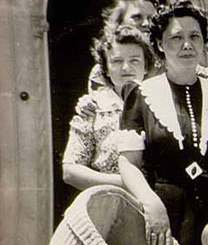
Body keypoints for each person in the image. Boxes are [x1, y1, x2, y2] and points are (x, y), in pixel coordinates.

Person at [118, 0, 208, 245]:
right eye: (176, 38)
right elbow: (127, 162)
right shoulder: (141, 95)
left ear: (203, 44)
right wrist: (150, 203)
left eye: (194, 37)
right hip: (163, 218)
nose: (187, 45)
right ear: (159, 44)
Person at [62, 24, 156, 190]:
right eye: (117, 61)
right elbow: (70, 170)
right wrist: (127, 184)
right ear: (106, 69)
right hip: (109, 201)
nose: (126, 68)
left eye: (134, 60)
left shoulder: (162, 104)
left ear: (146, 65)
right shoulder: (92, 108)